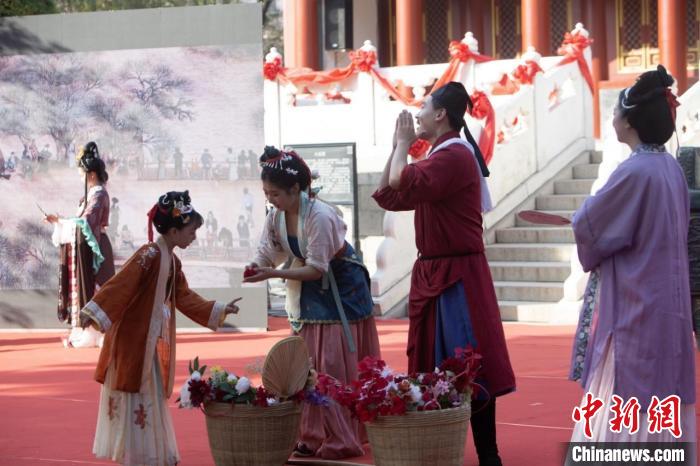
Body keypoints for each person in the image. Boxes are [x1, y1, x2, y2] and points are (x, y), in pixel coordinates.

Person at [372, 82, 515, 466]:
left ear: (440, 115)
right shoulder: (441, 155)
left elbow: (400, 180)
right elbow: (388, 195)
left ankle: (489, 454)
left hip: (457, 277)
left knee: (469, 364)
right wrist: (396, 147)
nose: (417, 114)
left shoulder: (454, 155)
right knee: (434, 364)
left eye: (423, 107)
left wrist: (404, 145)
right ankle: (437, 449)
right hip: (436, 271)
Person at [567, 66, 696, 452]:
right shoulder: (670, 168)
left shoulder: (634, 171)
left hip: (636, 305)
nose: (613, 117)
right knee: (662, 389)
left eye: (616, 111)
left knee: (627, 390)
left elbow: (591, 225)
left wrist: (580, 216)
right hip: (668, 304)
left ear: (629, 120)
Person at [80, 190, 241, 466]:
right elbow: (122, 284)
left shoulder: (171, 261)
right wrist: (94, 312)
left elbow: (184, 297)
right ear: (175, 231)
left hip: (148, 340)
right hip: (133, 339)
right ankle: (140, 456)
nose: (194, 236)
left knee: (148, 392)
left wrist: (219, 308)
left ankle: (150, 454)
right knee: (137, 393)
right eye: (191, 231)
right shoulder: (150, 254)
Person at [244, 146, 380, 459]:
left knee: (331, 364)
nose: (270, 200)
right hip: (309, 289)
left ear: (295, 189)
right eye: (266, 193)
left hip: (341, 289)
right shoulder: (276, 215)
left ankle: (341, 435)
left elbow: (317, 268)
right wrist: (257, 266)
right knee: (305, 363)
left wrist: (271, 273)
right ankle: (310, 433)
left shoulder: (320, 215)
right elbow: (268, 251)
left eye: (275, 193)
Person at [46, 142, 116, 349]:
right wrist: (58, 222)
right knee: (90, 289)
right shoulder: (91, 195)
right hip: (88, 245)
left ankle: (97, 332)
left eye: (82, 174)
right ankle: (88, 331)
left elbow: (87, 222)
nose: (81, 178)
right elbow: (82, 222)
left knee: (98, 289)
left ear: (91, 175)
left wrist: (62, 221)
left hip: (96, 247)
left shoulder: (99, 194)